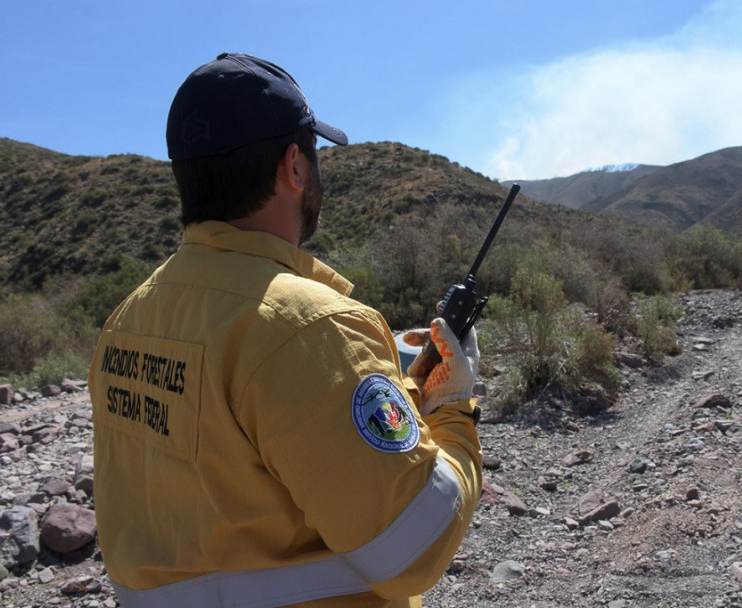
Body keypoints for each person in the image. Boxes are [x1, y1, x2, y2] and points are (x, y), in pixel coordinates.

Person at [88, 53, 483, 608]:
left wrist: (397, 382)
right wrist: (453, 408)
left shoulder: (127, 318)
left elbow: (234, 455)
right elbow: (413, 552)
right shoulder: (311, 327)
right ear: (295, 167)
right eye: (315, 155)